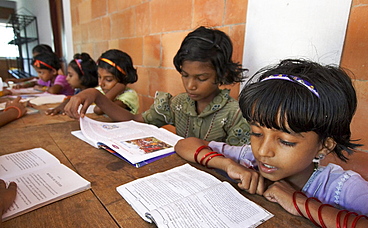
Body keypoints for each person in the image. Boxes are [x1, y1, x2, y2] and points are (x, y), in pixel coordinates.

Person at [174, 59, 368, 228]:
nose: (263, 151)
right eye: (257, 133)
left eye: (285, 141)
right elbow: (185, 145)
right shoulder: (247, 159)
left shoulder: (343, 189)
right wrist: (228, 165)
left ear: (324, 145)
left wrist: (299, 202)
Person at [65, 26, 250, 145]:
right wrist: (97, 96)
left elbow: (240, 160)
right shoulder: (177, 104)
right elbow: (133, 120)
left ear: (223, 74)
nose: (190, 85)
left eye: (201, 78)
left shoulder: (234, 115)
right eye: (185, 75)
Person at [93, 49, 140, 115]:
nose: (100, 83)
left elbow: (98, 110)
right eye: (99, 77)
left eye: (108, 79)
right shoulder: (100, 90)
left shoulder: (129, 96)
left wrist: (119, 87)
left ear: (123, 79)